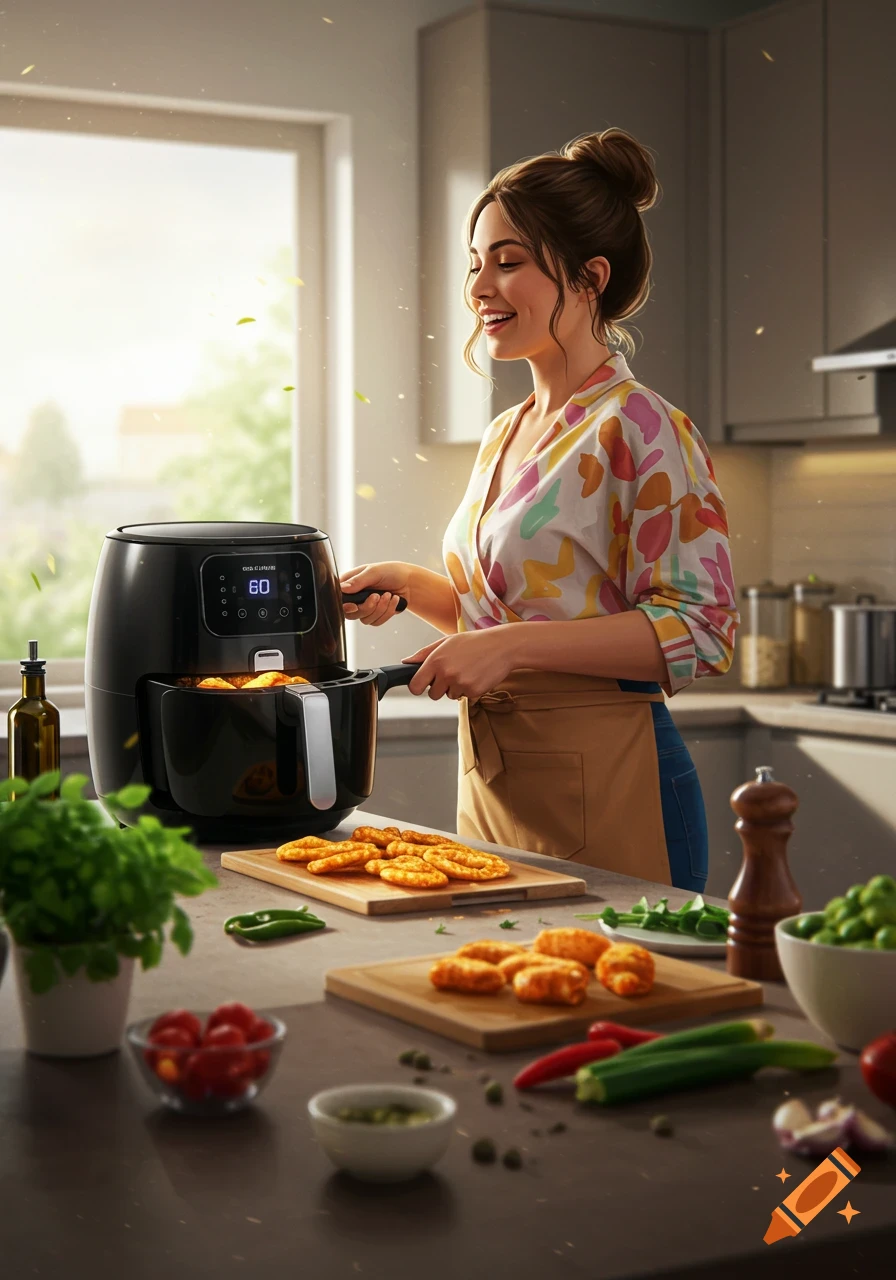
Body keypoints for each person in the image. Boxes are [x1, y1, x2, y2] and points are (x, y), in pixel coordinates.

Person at [341, 128, 739, 892]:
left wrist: (513, 649)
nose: (479, 289)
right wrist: (416, 589)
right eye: (476, 265)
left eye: (510, 261)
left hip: (615, 781)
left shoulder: (644, 426)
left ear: (590, 277)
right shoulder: (506, 432)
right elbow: (507, 619)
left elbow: (702, 629)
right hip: (498, 785)